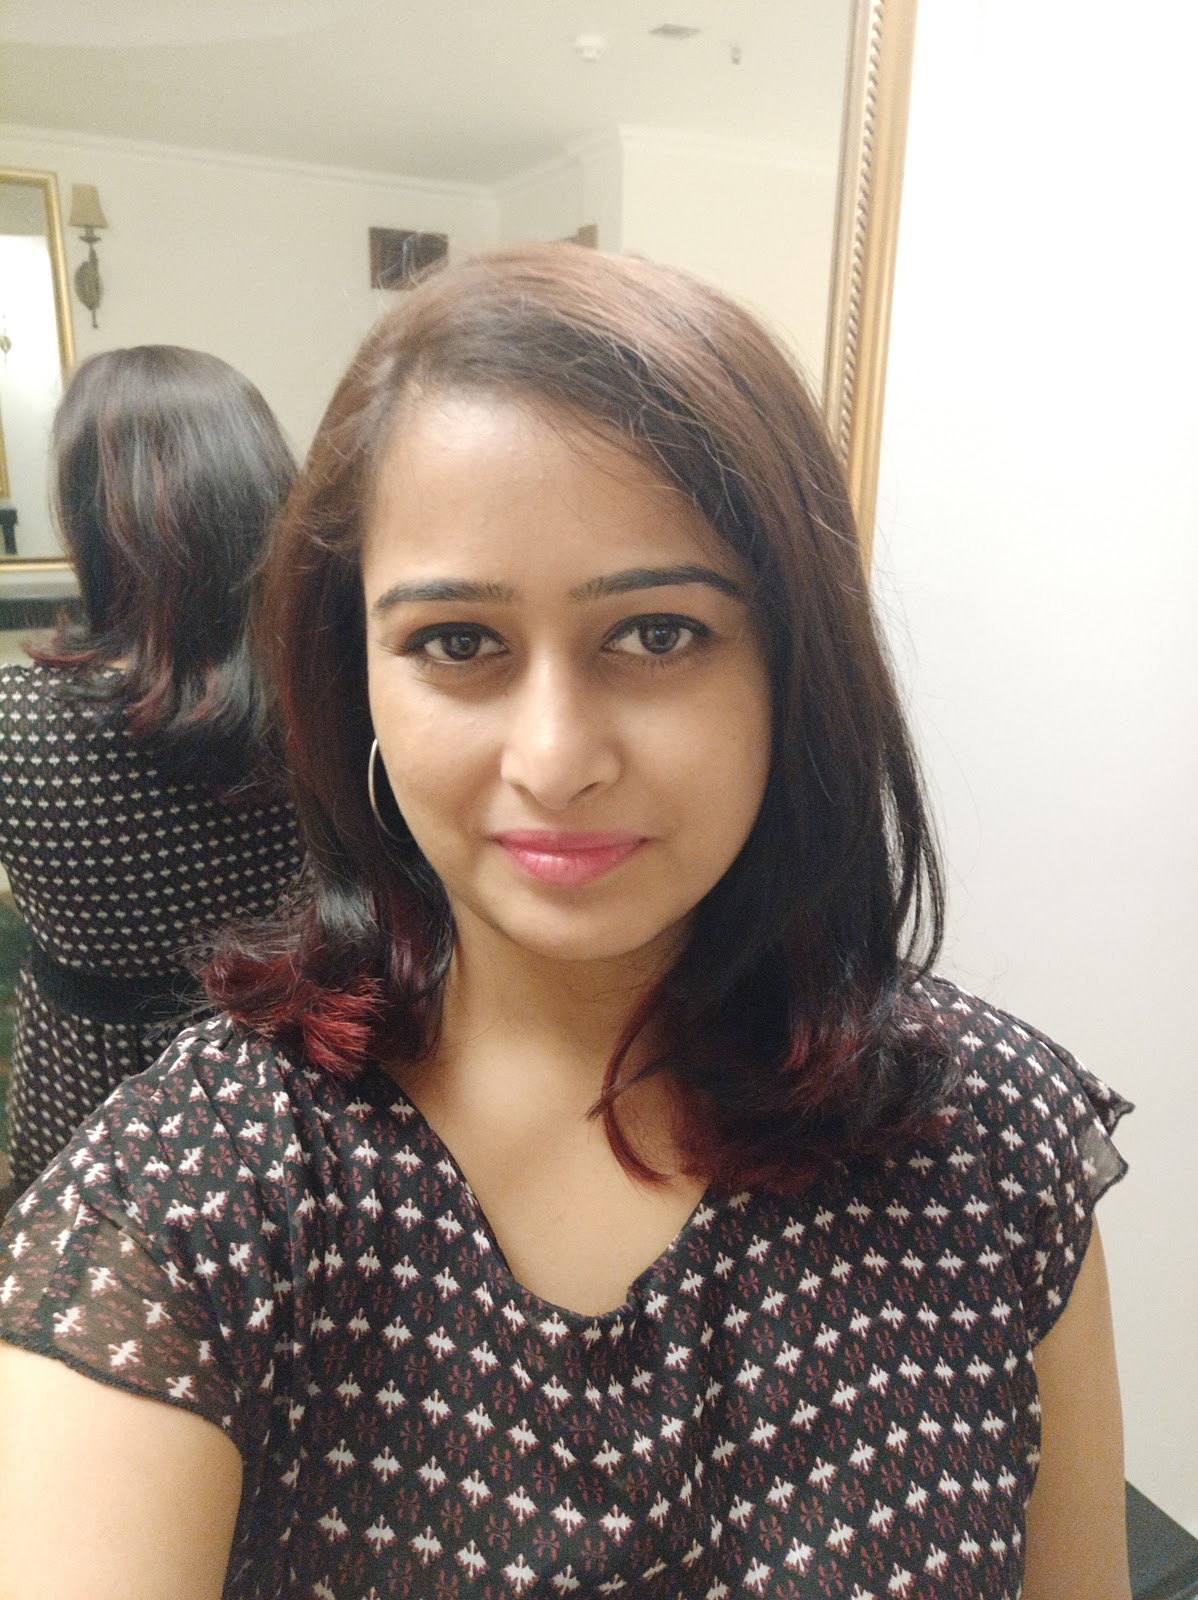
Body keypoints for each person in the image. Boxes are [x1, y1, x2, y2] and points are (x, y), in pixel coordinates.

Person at [0, 251, 1131, 1599]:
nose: (553, 759)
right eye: (458, 642)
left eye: (655, 634)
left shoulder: (990, 1140)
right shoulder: (200, 1193)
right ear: (356, 681)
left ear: (792, 667)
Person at [0, 346, 303, 1193]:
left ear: (90, 519)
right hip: (281, 1072)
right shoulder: (328, 694)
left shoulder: (15, 719)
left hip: (88, 1084)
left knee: (93, 1268)